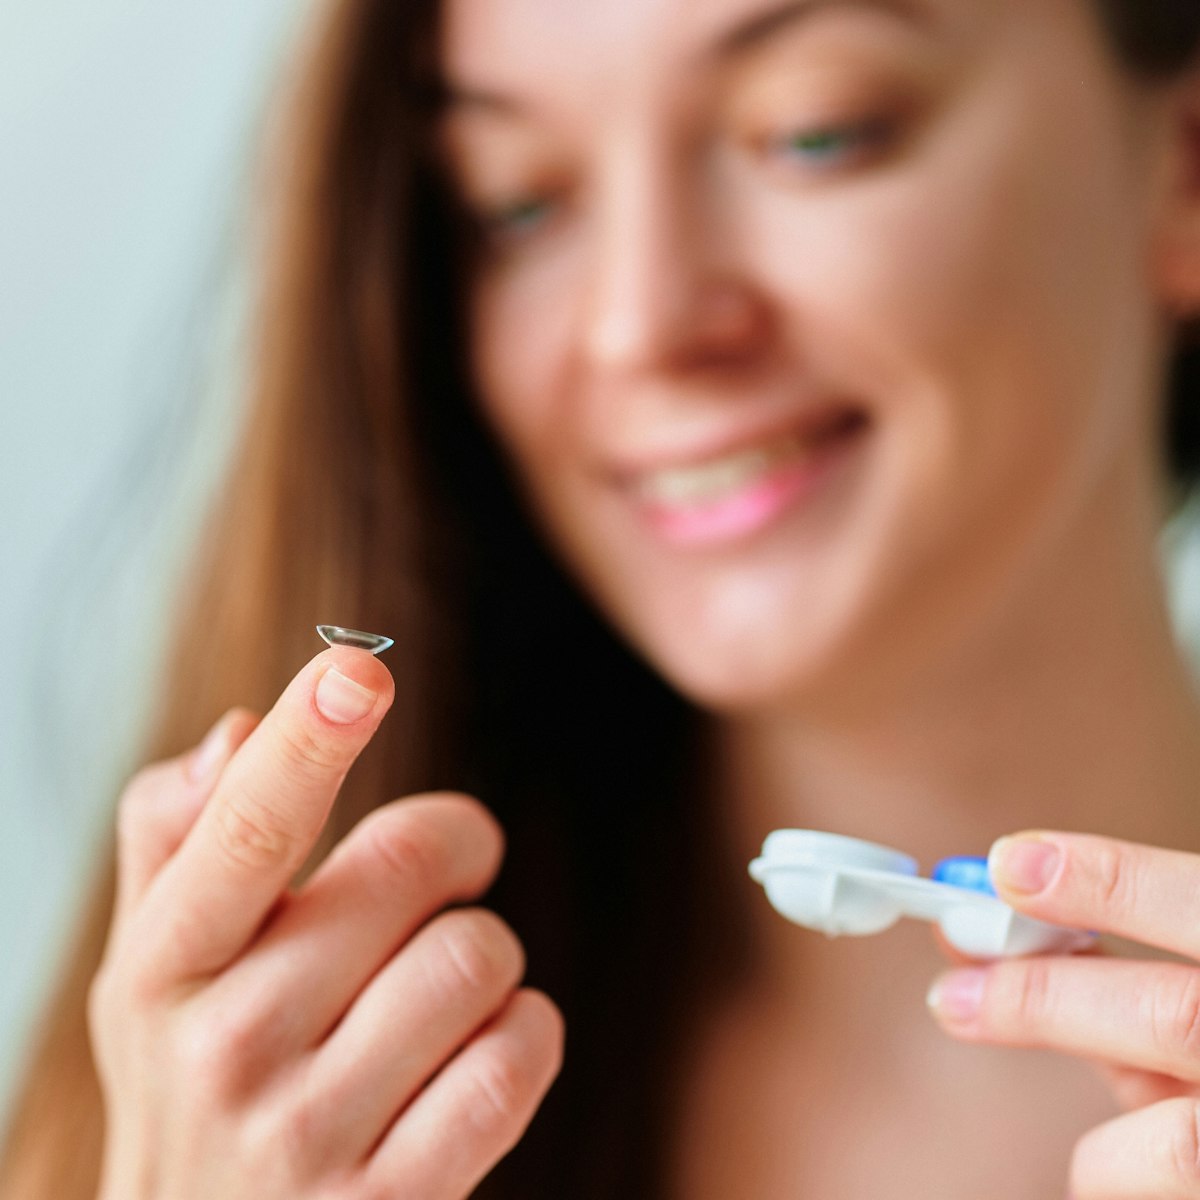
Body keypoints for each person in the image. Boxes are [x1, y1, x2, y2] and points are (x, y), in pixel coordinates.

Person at [5, 0, 1200, 1195]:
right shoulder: (252, 1106)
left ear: (1186, 165)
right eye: (514, 201)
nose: (640, 325)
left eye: (814, 131)